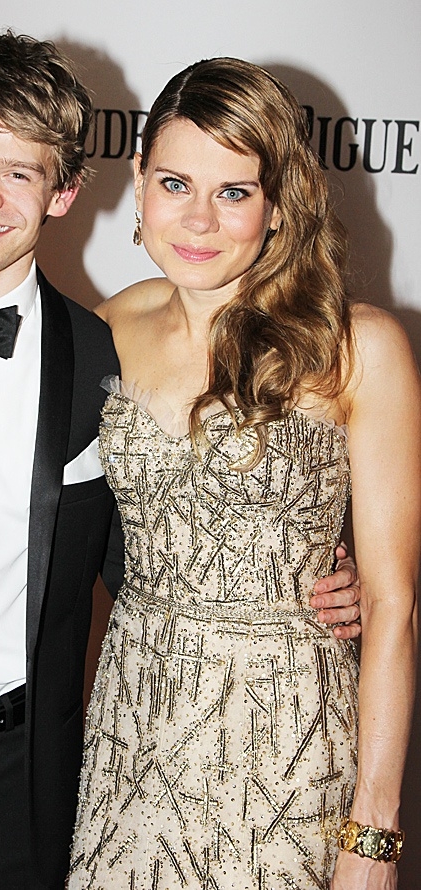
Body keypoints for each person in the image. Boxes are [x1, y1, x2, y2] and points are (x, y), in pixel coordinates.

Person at [0, 40, 362, 890]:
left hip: (20, 783)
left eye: (21, 174)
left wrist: (326, 577)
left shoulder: (98, 351)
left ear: (68, 191)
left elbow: (162, 538)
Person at [65, 59, 420, 889]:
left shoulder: (358, 348)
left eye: (234, 191)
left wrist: (374, 834)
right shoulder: (108, 325)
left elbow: (395, 606)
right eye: (175, 182)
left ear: (276, 204)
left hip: (286, 747)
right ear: (140, 184)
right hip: (131, 732)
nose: (198, 219)